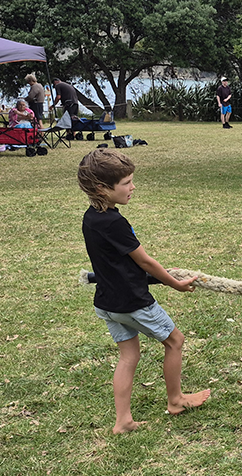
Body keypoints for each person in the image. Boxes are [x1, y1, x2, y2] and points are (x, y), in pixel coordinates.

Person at [77, 149, 209, 434]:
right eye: (126, 182)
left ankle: (122, 420)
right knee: (175, 341)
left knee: (129, 356)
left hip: (106, 301)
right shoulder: (115, 223)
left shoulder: (91, 218)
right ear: (102, 188)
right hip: (131, 301)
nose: (132, 187)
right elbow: (145, 261)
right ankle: (176, 400)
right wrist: (176, 283)